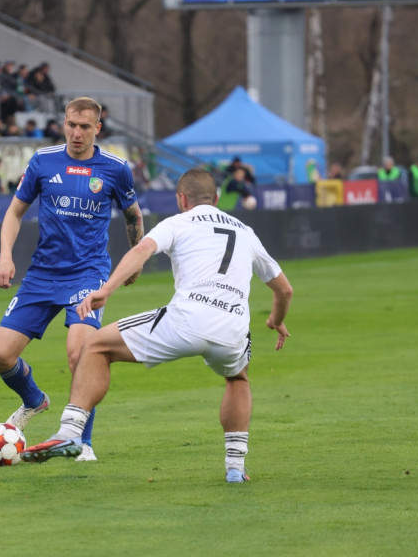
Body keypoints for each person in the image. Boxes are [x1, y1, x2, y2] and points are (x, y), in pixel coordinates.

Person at [21, 168, 293, 484]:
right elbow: (284, 290)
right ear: (216, 199)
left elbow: (141, 251)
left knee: (95, 346)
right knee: (237, 378)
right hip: (232, 328)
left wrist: (106, 289)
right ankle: (234, 467)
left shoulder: (178, 221)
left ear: (181, 199)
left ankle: (70, 431)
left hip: (187, 321)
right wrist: (276, 319)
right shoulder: (246, 231)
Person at [0, 96, 144, 462]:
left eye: (85, 127)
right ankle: (34, 400)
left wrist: (134, 260)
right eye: (72, 125)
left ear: (97, 129)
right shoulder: (43, 161)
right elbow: (14, 213)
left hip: (88, 273)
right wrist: (6, 256)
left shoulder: (115, 168)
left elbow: (133, 216)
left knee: (81, 353)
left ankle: (82, 442)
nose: (76, 133)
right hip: (42, 274)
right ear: (65, 123)